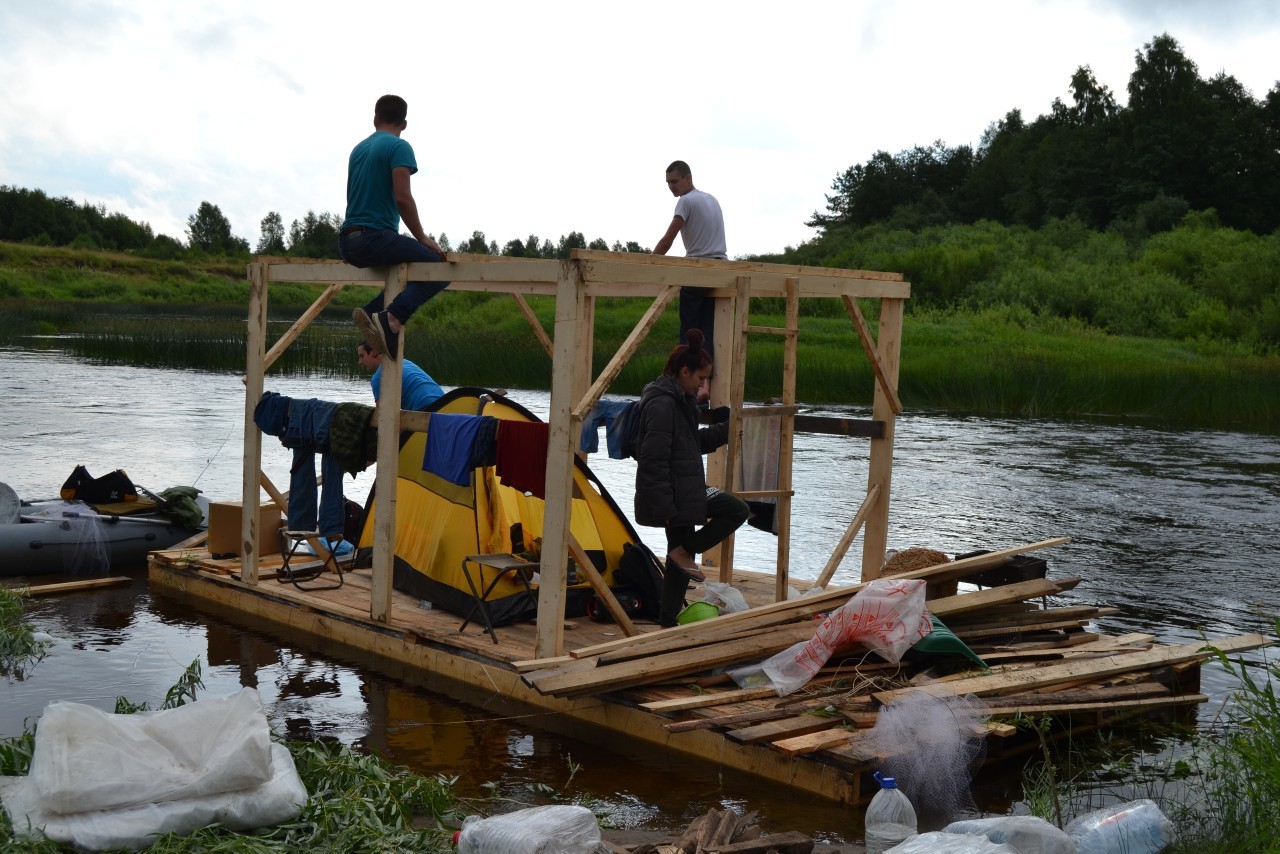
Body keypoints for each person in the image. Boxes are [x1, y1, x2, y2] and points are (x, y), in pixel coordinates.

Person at [633, 329, 748, 627]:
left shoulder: (679, 399)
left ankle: (668, 621)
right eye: (701, 378)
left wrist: (726, 432)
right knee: (736, 510)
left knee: (677, 559)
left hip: (684, 488)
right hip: (675, 494)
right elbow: (652, 463)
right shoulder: (661, 405)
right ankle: (683, 557)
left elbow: (690, 444)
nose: (704, 386)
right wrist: (667, 510)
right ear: (684, 372)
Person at [339, 94, 449, 361]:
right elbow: (402, 197)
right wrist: (421, 237)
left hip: (346, 241)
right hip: (374, 237)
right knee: (438, 268)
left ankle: (372, 311)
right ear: (405, 123)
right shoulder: (399, 147)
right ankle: (392, 318)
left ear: (375, 119)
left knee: (408, 273)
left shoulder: (358, 149)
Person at [652, 160, 727, 358]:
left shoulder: (686, 201)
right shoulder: (711, 199)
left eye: (675, 181)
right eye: (668, 183)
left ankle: (687, 374)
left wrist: (648, 265)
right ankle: (704, 381)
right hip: (720, 269)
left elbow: (668, 240)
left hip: (698, 269)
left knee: (689, 331)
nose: (671, 187)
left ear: (688, 178)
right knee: (707, 329)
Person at [356, 341, 444, 411]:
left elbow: (382, 415)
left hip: (424, 406)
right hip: (444, 402)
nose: (360, 362)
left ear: (374, 352)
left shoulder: (379, 377)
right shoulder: (403, 361)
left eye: (362, 356)